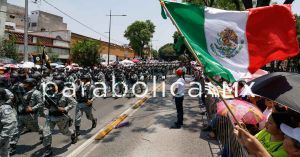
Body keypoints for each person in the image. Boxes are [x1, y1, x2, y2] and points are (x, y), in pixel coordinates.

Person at [42, 80, 77, 157]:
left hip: (61, 117)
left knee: (65, 132)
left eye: (54, 86)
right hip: (50, 116)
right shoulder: (49, 93)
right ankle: (48, 149)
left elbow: (74, 103)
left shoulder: (66, 94)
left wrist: (65, 108)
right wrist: (46, 105)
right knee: (46, 132)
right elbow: (45, 104)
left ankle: (73, 134)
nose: (51, 88)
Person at [9, 78, 43, 155]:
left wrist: (32, 108)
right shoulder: (21, 91)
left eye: (26, 83)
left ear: (31, 84)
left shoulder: (36, 93)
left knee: (36, 129)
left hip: (30, 116)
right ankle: (12, 147)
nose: (24, 84)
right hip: (20, 115)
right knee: (16, 131)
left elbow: (41, 103)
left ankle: (44, 133)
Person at [234, 123, 300, 157]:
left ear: (296, 151)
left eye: (287, 137)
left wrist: (258, 150)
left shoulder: (282, 151)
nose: (284, 135)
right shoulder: (266, 131)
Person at [0, 87, 18, 157]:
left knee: (3, 152)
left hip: (2, 137)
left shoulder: (4, 108)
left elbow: (11, 123)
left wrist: (1, 138)